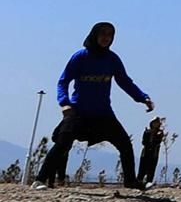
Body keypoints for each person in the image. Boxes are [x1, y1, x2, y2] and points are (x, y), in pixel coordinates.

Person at [34, 22, 156, 190]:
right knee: (62, 143)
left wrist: (143, 97)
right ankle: (39, 180)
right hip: (78, 112)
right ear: (94, 35)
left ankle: (131, 181)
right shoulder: (80, 57)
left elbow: (125, 81)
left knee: (125, 144)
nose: (106, 38)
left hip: (103, 113)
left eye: (109, 34)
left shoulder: (113, 59)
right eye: (102, 34)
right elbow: (63, 81)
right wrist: (64, 103)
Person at [137, 117, 164, 187]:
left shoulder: (160, 132)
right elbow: (143, 142)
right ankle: (139, 182)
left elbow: (158, 141)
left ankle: (149, 182)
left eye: (157, 123)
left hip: (154, 152)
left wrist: (154, 137)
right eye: (154, 122)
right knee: (142, 167)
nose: (156, 124)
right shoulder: (147, 132)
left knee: (151, 168)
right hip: (145, 151)